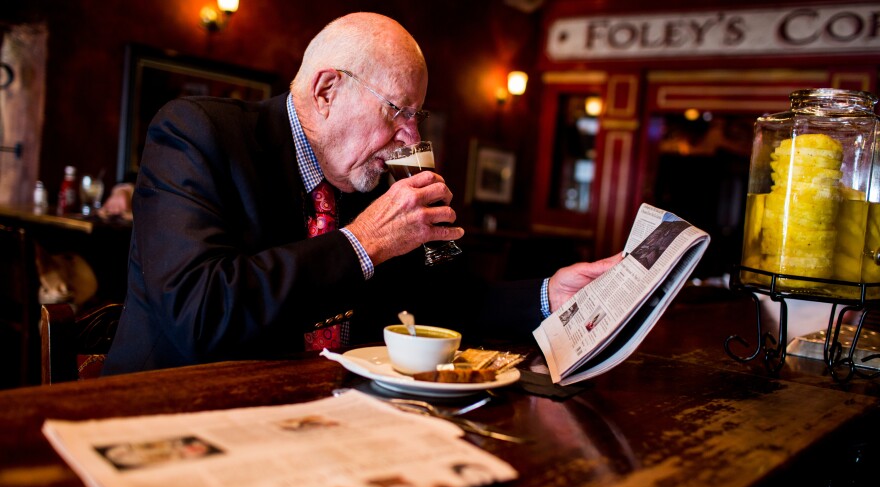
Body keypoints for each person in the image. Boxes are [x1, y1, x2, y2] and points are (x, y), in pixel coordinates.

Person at [102, 12, 622, 375]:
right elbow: (200, 314)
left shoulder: (367, 175)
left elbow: (448, 304)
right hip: (170, 412)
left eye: (416, 116)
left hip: (323, 421)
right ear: (327, 90)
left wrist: (549, 296)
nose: (411, 138)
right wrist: (365, 242)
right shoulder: (196, 133)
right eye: (397, 111)